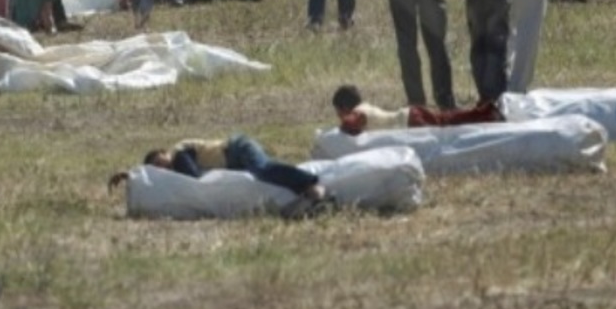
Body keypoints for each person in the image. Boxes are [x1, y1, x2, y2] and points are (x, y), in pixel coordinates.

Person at [108, 135, 331, 219]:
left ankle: (311, 184)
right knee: (260, 177)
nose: (163, 169)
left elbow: (195, 179)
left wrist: (135, 174)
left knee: (262, 170)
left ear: (165, 152)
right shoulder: (176, 166)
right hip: (236, 157)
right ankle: (303, 199)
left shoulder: (179, 153)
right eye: (157, 169)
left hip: (237, 149)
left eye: (159, 163)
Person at [331, 84, 503, 136]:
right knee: (447, 119)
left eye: (339, 113)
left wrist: (339, 131)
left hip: (409, 121)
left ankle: (486, 113)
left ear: (345, 108)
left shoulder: (359, 112)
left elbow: (352, 122)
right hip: (410, 114)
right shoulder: (366, 105)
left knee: (448, 122)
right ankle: (485, 112)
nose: (339, 117)